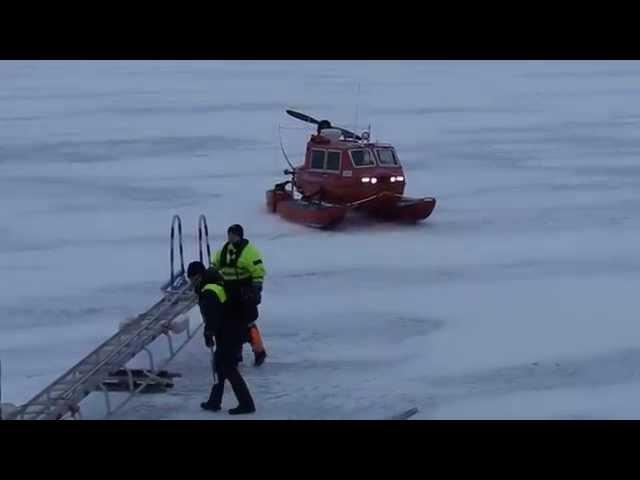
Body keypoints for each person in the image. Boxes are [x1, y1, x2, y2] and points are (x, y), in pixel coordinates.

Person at [187, 261, 256, 415]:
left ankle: (247, 404)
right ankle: (214, 401)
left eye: (191, 278)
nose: (190, 282)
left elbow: (213, 316)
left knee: (228, 368)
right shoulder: (214, 283)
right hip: (232, 329)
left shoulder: (209, 291)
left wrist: (208, 332)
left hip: (229, 332)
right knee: (219, 365)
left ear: (197, 276)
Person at [211, 224, 267, 366]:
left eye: (234, 235)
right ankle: (236, 353)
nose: (231, 237)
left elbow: (258, 270)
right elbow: (215, 266)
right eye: (229, 235)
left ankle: (259, 351)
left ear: (240, 236)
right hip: (228, 292)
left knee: (248, 323)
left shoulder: (249, 252)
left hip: (245, 292)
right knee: (232, 324)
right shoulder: (223, 251)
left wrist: (256, 289)